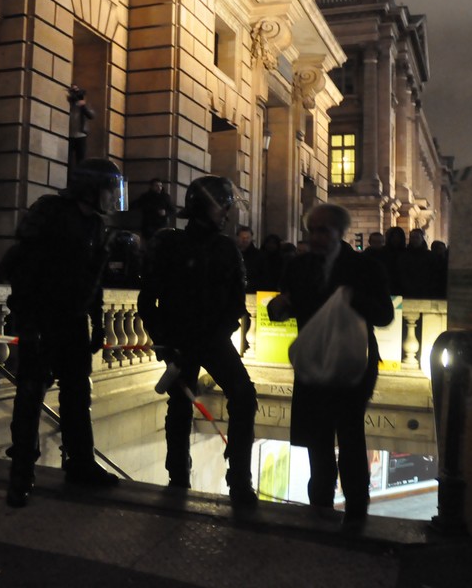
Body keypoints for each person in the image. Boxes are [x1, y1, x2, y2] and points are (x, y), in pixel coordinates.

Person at [0, 158, 124, 507]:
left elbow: (93, 281)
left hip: (71, 321)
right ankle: (21, 475)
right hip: (41, 317)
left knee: (76, 394)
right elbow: (23, 270)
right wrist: (29, 323)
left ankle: (81, 464)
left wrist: (97, 323)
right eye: (109, 190)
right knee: (30, 395)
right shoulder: (51, 211)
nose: (113, 198)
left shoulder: (96, 227)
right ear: (91, 188)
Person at [266, 203, 393, 530]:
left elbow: (384, 315)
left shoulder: (364, 267)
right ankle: (320, 504)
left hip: (354, 363)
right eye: (313, 230)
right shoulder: (298, 266)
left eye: (325, 230)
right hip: (313, 361)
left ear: (340, 231)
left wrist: (354, 298)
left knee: (350, 434)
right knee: (317, 437)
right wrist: (277, 308)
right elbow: (288, 305)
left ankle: (355, 509)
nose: (317, 237)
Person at [137, 176, 258, 506]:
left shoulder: (226, 248)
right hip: (179, 340)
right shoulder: (169, 243)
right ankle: (179, 476)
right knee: (179, 407)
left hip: (209, 339)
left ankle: (239, 478)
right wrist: (162, 342)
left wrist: (216, 334)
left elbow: (236, 302)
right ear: (208, 207)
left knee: (243, 396)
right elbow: (148, 300)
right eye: (223, 207)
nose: (227, 214)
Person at [67, 84, 94, 168]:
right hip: (69, 135)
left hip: (81, 136)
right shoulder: (69, 105)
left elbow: (91, 116)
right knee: (68, 161)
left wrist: (83, 106)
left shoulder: (85, 105)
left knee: (81, 160)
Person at [235, 225, 263, 293]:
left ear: (251, 238)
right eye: (242, 237)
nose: (245, 240)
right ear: (237, 238)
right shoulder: (232, 253)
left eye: (247, 237)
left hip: (253, 289)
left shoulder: (258, 255)